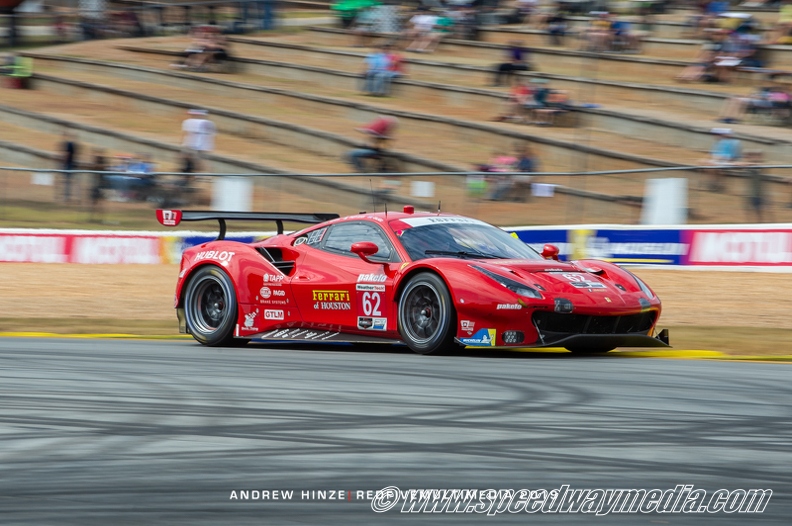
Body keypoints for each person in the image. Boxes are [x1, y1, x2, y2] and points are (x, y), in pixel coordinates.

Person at [88, 148, 108, 222]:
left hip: (100, 185)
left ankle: (101, 218)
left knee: (100, 202)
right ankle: (92, 217)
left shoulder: (102, 163)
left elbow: (103, 167)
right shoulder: (94, 163)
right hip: (95, 185)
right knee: (93, 202)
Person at [60, 130, 79, 203]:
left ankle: (66, 197)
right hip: (72, 164)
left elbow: (67, 154)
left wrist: (64, 163)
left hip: (69, 164)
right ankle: (68, 196)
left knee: (67, 181)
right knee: (70, 181)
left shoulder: (69, 144)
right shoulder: (74, 144)